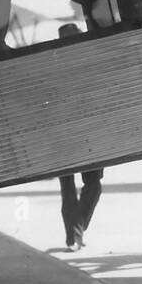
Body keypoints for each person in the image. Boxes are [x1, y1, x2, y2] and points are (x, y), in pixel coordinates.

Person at [55, 23, 102, 250]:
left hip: (65, 136)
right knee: (93, 184)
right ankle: (76, 231)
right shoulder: (89, 65)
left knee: (68, 187)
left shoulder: (54, 66)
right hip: (86, 135)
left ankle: (75, 233)